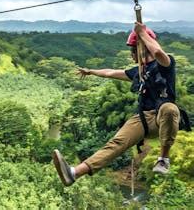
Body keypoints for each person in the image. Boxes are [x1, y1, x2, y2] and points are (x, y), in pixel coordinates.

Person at [52, 22, 180, 186]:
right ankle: (74, 173)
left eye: (132, 51)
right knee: (117, 143)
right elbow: (110, 73)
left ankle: (163, 159)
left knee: (169, 108)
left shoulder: (166, 65)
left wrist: (142, 34)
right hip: (143, 118)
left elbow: (157, 52)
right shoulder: (138, 71)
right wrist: (91, 71)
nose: (131, 56)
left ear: (140, 50)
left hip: (162, 117)